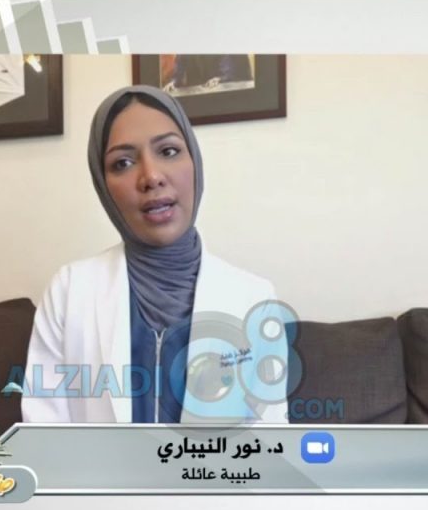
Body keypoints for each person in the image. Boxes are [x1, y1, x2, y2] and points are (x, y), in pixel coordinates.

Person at [20, 85, 289, 425]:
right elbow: (45, 435)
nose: (151, 177)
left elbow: (268, 439)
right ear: (103, 185)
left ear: (195, 162)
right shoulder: (70, 290)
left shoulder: (255, 299)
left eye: (169, 151)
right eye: (123, 163)